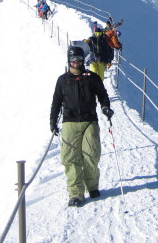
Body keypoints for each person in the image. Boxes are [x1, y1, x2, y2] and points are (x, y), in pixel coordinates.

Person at [50, 46, 114, 207]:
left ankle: (92, 186)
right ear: (68, 61)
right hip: (69, 122)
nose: (76, 63)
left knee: (91, 154)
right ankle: (76, 193)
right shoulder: (63, 80)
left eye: (79, 60)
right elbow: (56, 102)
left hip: (89, 120)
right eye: (73, 60)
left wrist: (105, 106)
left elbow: (102, 94)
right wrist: (52, 122)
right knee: (70, 158)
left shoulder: (91, 77)